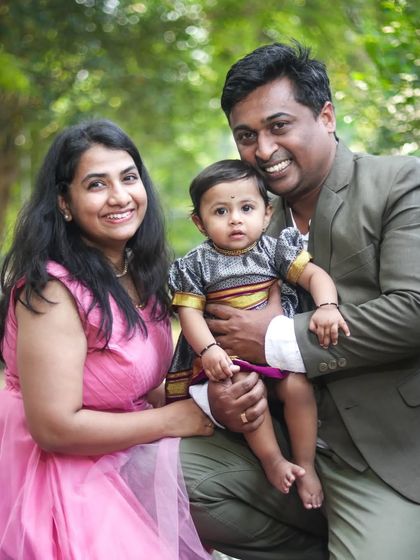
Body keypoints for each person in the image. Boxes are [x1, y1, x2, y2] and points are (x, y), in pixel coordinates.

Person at [180, 41, 420, 560]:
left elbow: (415, 311)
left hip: (385, 453)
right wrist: (222, 400)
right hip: (281, 446)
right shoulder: (244, 227)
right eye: (247, 136)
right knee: (168, 479)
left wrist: (275, 340)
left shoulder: (400, 182)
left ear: (326, 116)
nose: (263, 149)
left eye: (279, 126)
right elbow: (209, 333)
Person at [0, 119, 214, 559]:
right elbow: (54, 428)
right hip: (59, 469)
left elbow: (133, 383)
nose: (120, 196)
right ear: (64, 203)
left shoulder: (138, 273)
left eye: (129, 178)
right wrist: (171, 421)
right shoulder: (53, 290)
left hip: (120, 445)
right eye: (97, 184)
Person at [167, 158, 350, 510]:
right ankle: (272, 460)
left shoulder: (273, 250)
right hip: (229, 358)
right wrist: (208, 349)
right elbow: (189, 314)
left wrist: (327, 306)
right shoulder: (197, 264)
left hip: (275, 351)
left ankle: (306, 464)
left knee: (298, 387)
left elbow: (314, 276)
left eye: (246, 208)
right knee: (243, 394)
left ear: (266, 214)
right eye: (221, 211)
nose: (235, 219)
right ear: (199, 222)